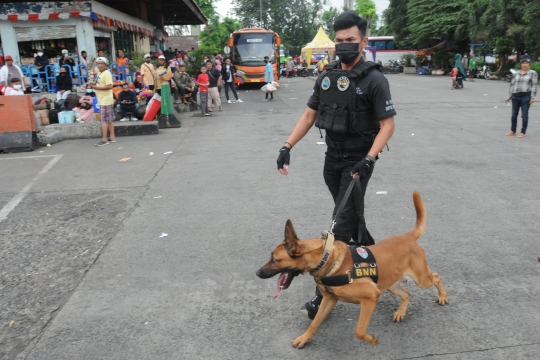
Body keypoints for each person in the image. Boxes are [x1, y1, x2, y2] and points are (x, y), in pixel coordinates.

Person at [276, 10, 396, 320]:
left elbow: (387, 125)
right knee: (350, 217)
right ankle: (376, 260)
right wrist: (287, 145)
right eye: (339, 41)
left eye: (350, 41)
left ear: (363, 41)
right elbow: (308, 116)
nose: (343, 46)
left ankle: (323, 294)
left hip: (358, 161)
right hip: (332, 159)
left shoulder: (374, 79)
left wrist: (370, 159)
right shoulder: (327, 76)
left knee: (339, 224)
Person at [505, 54, 538, 138]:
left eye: (527, 63)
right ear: (520, 64)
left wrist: (533, 97)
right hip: (515, 96)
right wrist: (509, 96)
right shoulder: (517, 73)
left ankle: (523, 132)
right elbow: (512, 85)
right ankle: (513, 130)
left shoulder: (533, 73)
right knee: (513, 115)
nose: (525, 64)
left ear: (529, 64)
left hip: (525, 97)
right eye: (523, 63)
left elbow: (534, 85)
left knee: (524, 115)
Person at [88, 57, 116, 146]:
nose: (99, 65)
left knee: (104, 120)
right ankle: (112, 137)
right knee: (109, 120)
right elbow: (92, 70)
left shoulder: (106, 73)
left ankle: (104, 139)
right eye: (98, 63)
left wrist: (96, 87)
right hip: (103, 99)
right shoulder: (100, 72)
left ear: (106, 65)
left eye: (101, 63)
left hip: (105, 100)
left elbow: (110, 86)